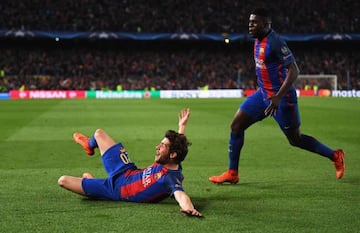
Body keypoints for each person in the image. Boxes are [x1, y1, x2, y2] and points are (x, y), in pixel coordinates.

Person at [208, 8, 345, 184]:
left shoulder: (275, 42)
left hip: (282, 99)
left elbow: (294, 70)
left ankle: (335, 155)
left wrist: (278, 96)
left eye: (254, 23)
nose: (250, 26)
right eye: (249, 22)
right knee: (236, 125)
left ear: (266, 24)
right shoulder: (257, 39)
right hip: (263, 95)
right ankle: (232, 173)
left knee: (295, 140)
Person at [58, 108, 202, 217]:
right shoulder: (171, 159)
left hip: (115, 190)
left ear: (172, 155)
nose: (157, 148)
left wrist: (189, 208)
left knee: (63, 180)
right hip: (126, 170)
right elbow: (178, 145)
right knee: (98, 134)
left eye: (162, 146)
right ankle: (89, 146)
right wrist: (182, 127)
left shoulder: (170, 178)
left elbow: (181, 195)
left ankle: (93, 186)